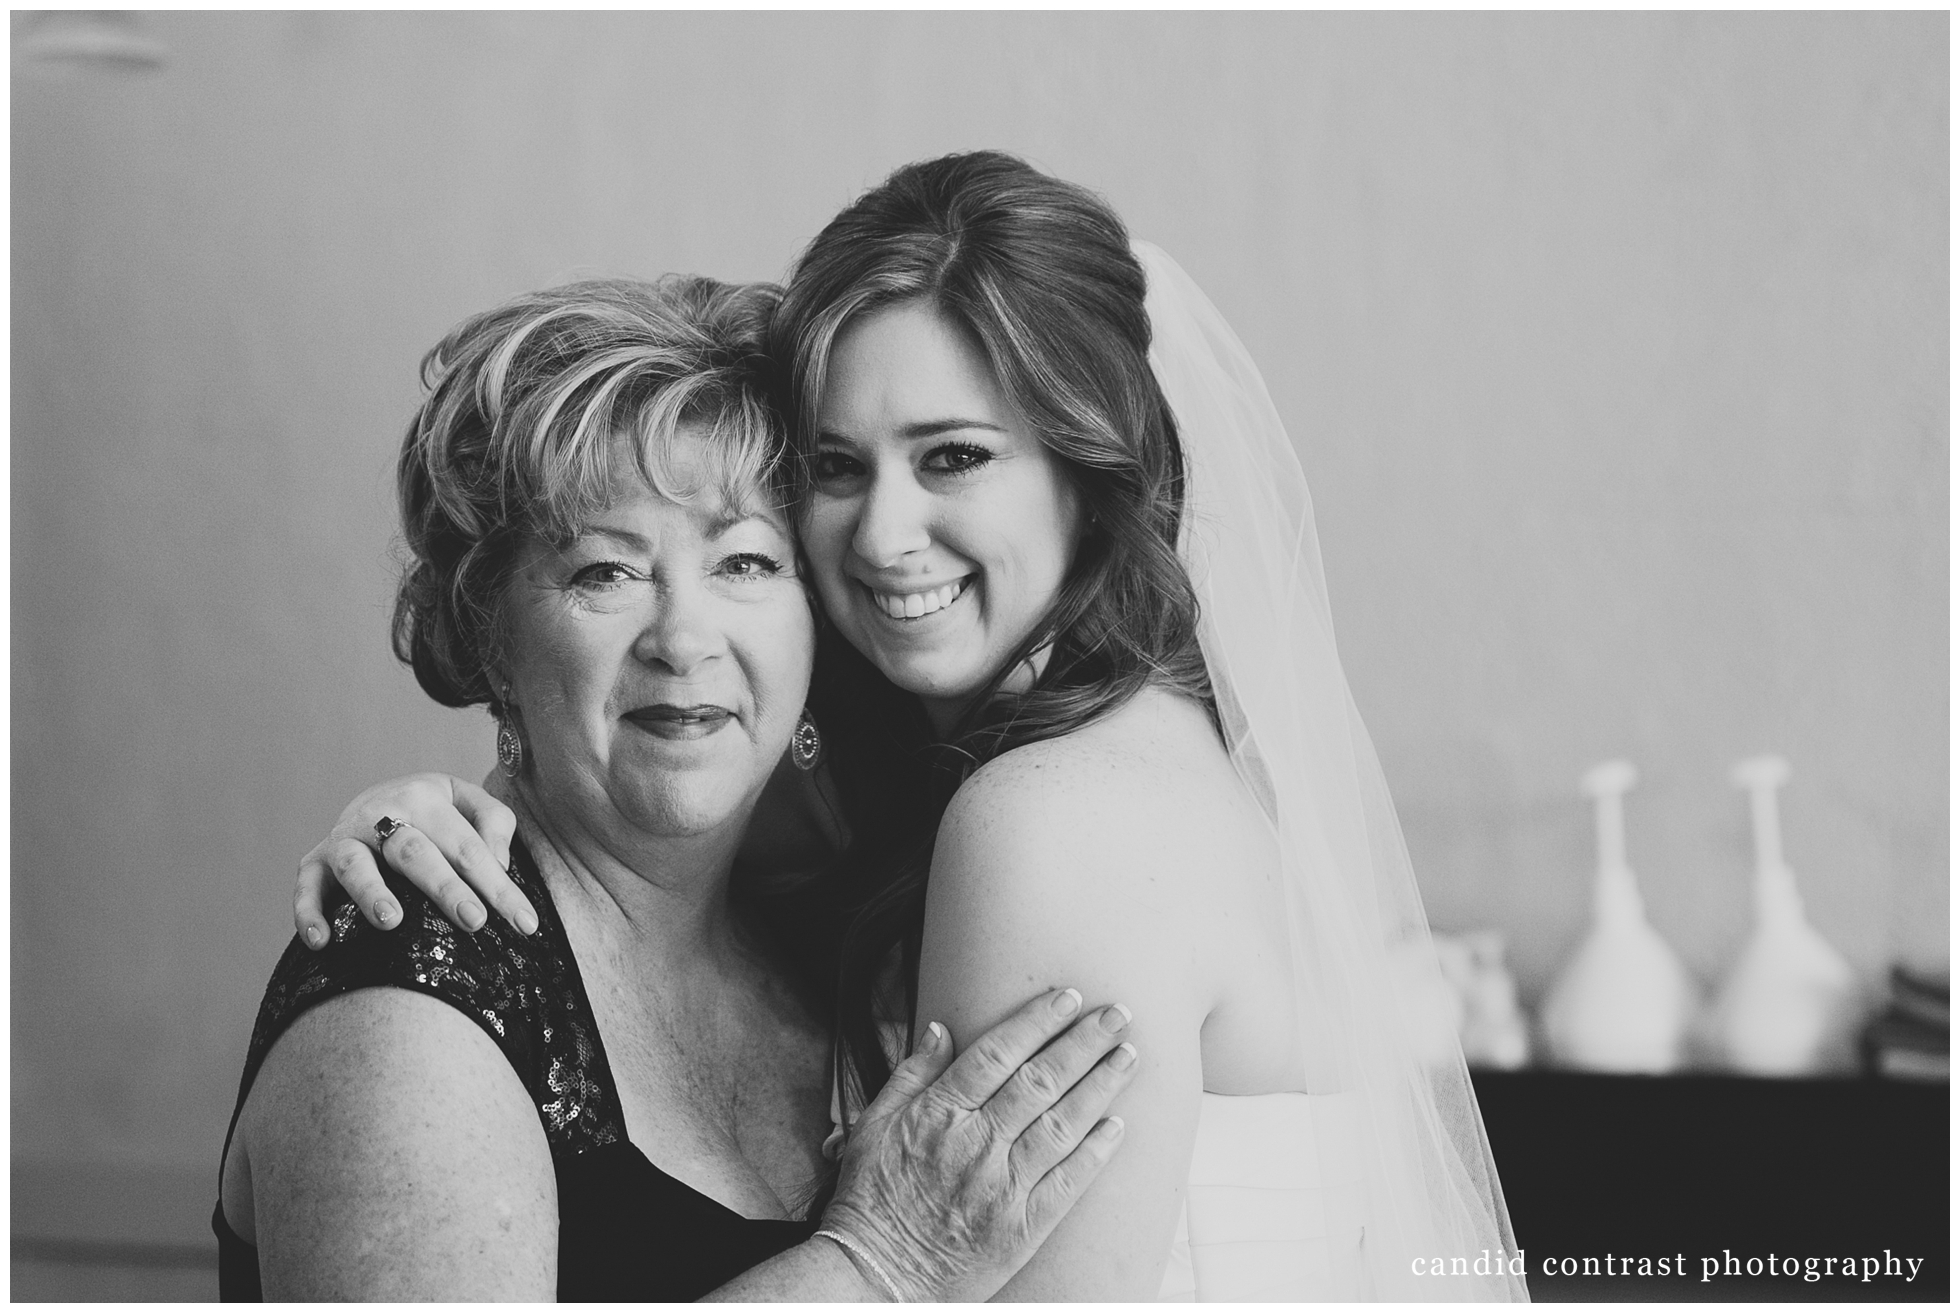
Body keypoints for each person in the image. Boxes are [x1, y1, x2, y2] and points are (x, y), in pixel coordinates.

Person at [295, 153, 1526, 1299]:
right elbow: (617, 799)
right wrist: (437, 811)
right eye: (836, 468)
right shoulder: (993, 788)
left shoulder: (1049, 821)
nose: (883, 537)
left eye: (952, 456)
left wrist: (880, 1258)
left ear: (1086, 473)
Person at [216, 274, 1142, 1301]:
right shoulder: (407, 1008)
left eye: (745, 562)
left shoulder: (829, 922)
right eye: (603, 573)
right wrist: (879, 1264)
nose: (684, 637)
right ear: (491, 632)